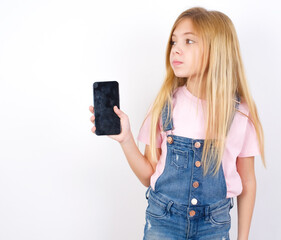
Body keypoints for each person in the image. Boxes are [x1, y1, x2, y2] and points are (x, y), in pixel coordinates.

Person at [89, 6, 266, 240]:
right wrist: (126, 139)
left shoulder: (239, 114)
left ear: (217, 50)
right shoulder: (165, 105)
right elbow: (147, 176)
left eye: (189, 41)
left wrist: (243, 238)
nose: (176, 50)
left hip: (213, 226)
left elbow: (247, 181)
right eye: (174, 42)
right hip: (163, 221)